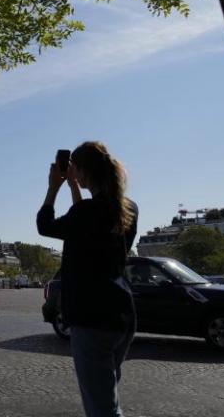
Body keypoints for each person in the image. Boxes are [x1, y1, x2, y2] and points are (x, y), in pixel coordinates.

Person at [37, 141, 139, 417]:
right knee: (108, 396)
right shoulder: (128, 209)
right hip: (121, 314)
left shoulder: (85, 214)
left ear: (81, 172)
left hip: (91, 317)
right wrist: (72, 187)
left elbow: (45, 226)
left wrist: (54, 187)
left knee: (102, 409)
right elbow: (86, 223)